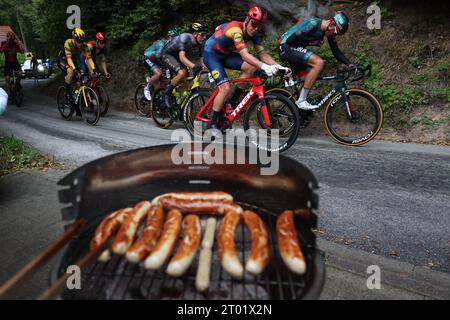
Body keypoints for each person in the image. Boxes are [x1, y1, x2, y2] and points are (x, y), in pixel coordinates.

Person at [202, 6, 284, 130]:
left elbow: (263, 54)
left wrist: (279, 67)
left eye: (259, 26)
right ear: (247, 20)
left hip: (225, 54)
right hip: (211, 54)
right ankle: (212, 123)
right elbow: (245, 55)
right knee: (225, 88)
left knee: (251, 68)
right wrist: (264, 67)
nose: (255, 28)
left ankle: (233, 101)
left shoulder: (254, 33)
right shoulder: (236, 30)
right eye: (254, 24)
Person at [278, 11, 355, 110]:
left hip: (293, 48)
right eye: (336, 32)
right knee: (319, 63)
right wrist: (311, 42)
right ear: (332, 23)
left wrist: (350, 64)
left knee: (310, 76)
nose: (335, 35)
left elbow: (336, 51)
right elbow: (290, 40)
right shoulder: (313, 24)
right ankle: (301, 101)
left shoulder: (329, 30)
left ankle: (298, 110)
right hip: (285, 47)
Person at [160, 23, 208, 108]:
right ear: (195, 34)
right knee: (182, 73)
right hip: (167, 54)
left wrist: (206, 69)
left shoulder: (200, 43)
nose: (204, 37)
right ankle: (166, 94)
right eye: (202, 34)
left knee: (187, 81)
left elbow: (202, 59)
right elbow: (182, 58)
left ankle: (180, 103)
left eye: (205, 34)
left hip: (177, 56)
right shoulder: (184, 38)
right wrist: (194, 66)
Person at [57, 28, 95, 109]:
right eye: (78, 41)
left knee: (80, 79)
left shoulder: (84, 46)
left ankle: (74, 94)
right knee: (71, 72)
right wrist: (74, 70)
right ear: (74, 39)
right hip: (63, 60)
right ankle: (66, 95)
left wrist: (93, 70)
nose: (80, 44)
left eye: (82, 41)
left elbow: (88, 59)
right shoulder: (68, 42)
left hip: (72, 61)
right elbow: (69, 59)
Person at [142, 28, 180, 100]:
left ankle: (157, 94)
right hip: (148, 57)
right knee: (159, 73)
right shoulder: (162, 43)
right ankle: (147, 88)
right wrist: (166, 67)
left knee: (165, 80)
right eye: (171, 36)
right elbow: (158, 56)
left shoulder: (173, 47)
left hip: (157, 60)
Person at [0, 32, 25, 96]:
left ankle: (17, 85)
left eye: (12, 39)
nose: (11, 41)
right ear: (7, 38)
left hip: (15, 62)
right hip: (7, 63)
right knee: (7, 78)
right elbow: (1, 51)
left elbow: (22, 51)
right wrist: (7, 43)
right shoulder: (4, 43)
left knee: (20, 74)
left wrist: (18, 42)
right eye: (10, 38)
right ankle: (9, 93)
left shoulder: (15, 44)